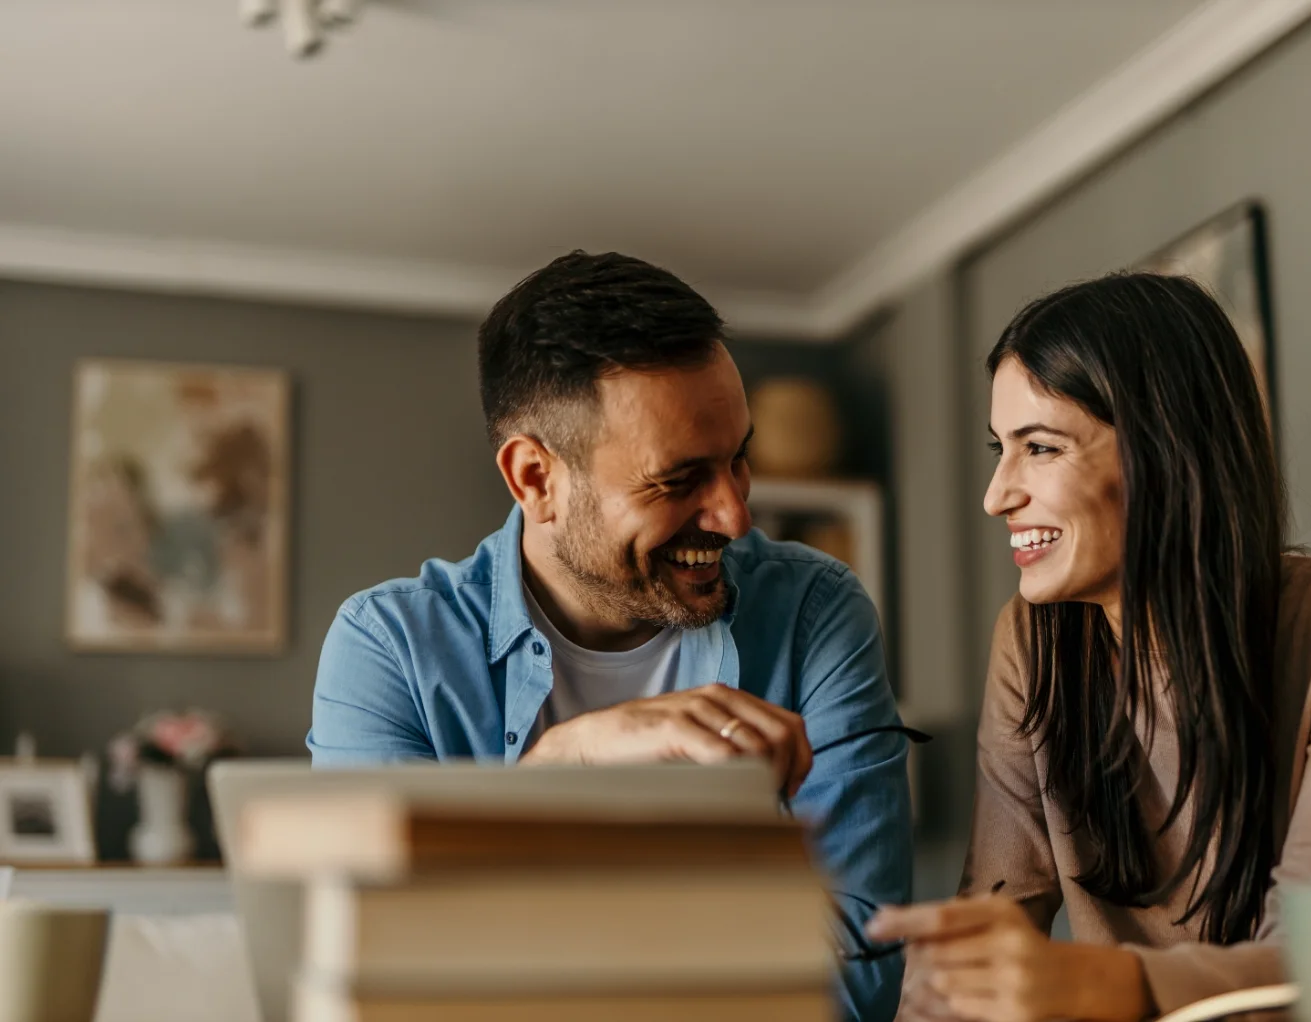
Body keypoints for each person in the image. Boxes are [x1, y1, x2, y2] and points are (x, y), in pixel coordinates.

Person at [308, 250, 914, 1021]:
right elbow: (373, 975)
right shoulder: (388, 647)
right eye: (678, 480)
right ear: (535, 479)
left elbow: (857, 976)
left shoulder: (815, 612)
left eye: (739, 461)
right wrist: (567, 761)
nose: (735, 515)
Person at [867, 273, 1311, 1022]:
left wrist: (1100, 986)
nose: (997, 494)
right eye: (1000, 449)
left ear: (1164, 453)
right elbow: (1001, 909)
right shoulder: (1032, 639)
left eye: (1039, 447)